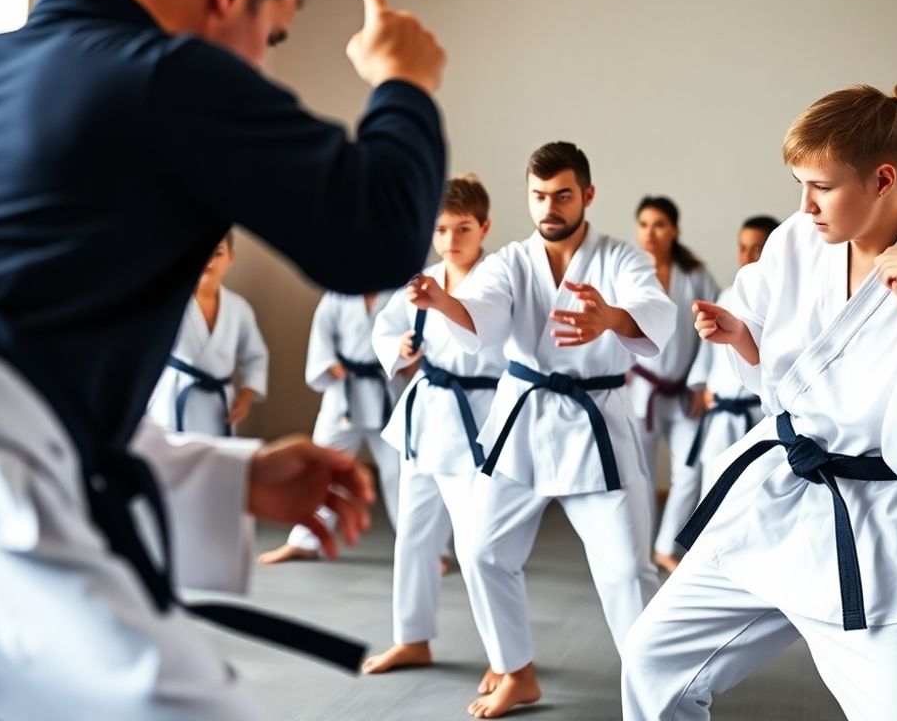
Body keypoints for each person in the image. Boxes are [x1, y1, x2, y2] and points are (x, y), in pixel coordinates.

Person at [0, 0, 448, 717]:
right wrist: (404, 83)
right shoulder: (167, 74)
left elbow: (7, 353)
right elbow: (378, 239)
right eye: (272, 36)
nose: (263, 60)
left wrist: (231, 476)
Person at [621, 83, 897, 721]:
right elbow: (770, 333)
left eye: (822, 185)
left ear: (884, 179)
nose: (806, 203)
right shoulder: (797, 238)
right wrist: (742, 336)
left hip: (884, 524)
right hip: (784, 497)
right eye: (799, 183)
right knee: (653, 659)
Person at [411, 142, 674, 718]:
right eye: (538, 195)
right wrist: (443, 303)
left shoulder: (620, 258)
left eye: (561, 195)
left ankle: (658, 697)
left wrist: (610, 317)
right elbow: (481, 311)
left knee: (628, 571)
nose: (549, 206)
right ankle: (517, 672)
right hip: (523, 421)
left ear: (587, 195)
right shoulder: (509, 261)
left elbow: (653, 307)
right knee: (481, 551)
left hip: (594, 423)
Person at [362, 174, 505, 675]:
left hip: (476, 423)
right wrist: (399, 350)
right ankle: (412, 637)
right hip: (424, 418)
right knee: (415, 535)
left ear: (484, 227)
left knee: (477, 545)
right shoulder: (421, 280)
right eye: (441, 230)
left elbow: (502, 341)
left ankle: (505, 658)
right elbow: (385, 329)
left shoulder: (498, 280)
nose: (450, 241)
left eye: (462, 229)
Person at [146, 231, 270, 594]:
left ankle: (211, 531)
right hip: (175, 395)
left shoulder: (238, 309)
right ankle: (165, 532)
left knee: (215, 461)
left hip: (218, 399)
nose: (208, 261)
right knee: (173, 462)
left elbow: (255, 355)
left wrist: (247, 392)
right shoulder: (167, 301)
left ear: (230, 257)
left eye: (216, 252)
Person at [654, 214, 777, 572]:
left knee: (756, 494)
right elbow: (707, 350)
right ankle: (707, 565)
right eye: (743, 247)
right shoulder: (726, 294)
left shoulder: (786, 297)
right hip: (721, 412)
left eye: (757, 247)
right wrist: (702, 386)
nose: (748, 254)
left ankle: (749, 567)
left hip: (757, 414)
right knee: (712, 490)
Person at [258, 289, 402, 564]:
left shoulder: (400, 294)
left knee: (400, 472)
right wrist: (328, 365)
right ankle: (304, 541)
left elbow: (414, 337)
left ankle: (424, 552)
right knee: (321, 466)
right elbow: (321, 339)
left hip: (386, 393)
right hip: (343, 394)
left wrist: (407, 359)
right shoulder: (338, 296)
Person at [628, 196, 719, 572]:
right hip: (640, 389)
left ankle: (666, 546)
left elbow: (712, 332)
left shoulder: (696, 275)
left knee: (689, 470)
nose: (651, 232)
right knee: (640, 475)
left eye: (660, 224)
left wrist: (700, 382)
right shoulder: (629, 271)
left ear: (675, 230)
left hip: (684, 392)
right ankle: (638, 547)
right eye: (644, 224)